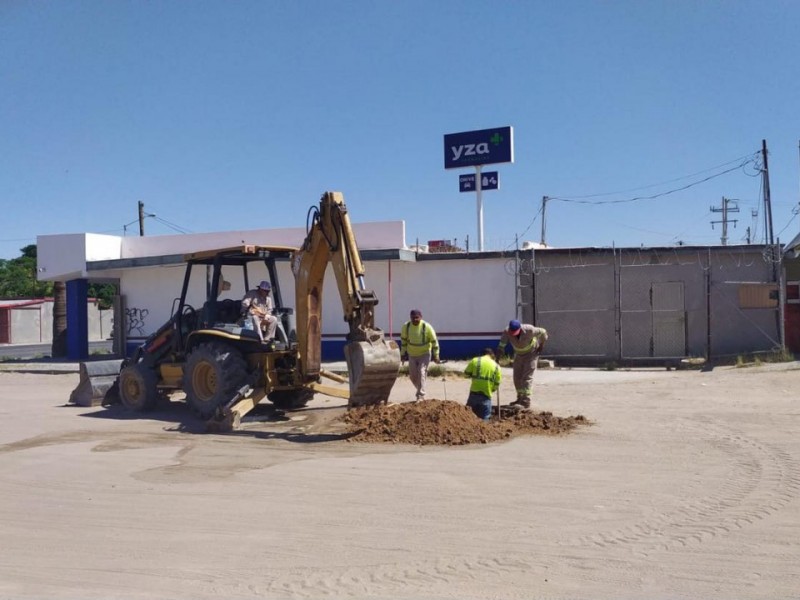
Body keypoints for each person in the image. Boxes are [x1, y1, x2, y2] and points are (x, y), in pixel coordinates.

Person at [496, 319, 548, 409]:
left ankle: (526, 401)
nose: (513, 334)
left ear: (520, 328)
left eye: (515, 332)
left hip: (531, 354)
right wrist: (498, 358)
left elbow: (543, 332)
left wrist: (541, 345)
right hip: (519, 355)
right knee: (517, 377)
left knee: (527, 377)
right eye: (512, 332)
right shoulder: (507, 331)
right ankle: (519, 398)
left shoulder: (530, 330)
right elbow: (502, 344)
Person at [400, 309, 440, 400]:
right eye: (413, 318)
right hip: (412, 354)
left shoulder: (427, 327)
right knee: (413, 376)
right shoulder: (406, 327)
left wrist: (436, 355)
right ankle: (420, 389)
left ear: (421, 317)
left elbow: (434, 342)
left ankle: (420, 395)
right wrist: (402, 354)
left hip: (424, 354)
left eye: (417, 318)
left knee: (421, 372)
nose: (415, 320)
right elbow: (403, 342)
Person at [464, 348, 502, 421]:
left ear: (481, 354)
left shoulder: (475, 361)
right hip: (486, 396)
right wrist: (492, 389)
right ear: (492, 355)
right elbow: (496, 384)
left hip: (473, 395)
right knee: (485, 419)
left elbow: (466, 374)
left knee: (469, 418)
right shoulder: (497, 367)